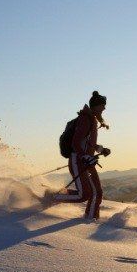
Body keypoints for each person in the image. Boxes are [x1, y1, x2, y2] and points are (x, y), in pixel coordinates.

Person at [47, 91, 111, 220]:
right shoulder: (85, 119)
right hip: (79, 160)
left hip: (87, 161)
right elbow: (76, 142)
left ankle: (91, 218)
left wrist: (100, 149)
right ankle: (50, 197)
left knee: (97, 193)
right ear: (95, 106)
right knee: (84, 195)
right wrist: (84, 156)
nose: (104, 108)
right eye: (102, 105)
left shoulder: (91, 119)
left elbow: (86, 142)